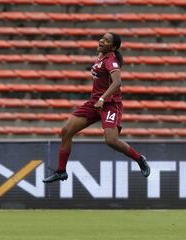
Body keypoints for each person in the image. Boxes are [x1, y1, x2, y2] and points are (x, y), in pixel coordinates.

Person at [43, 32, 150, 183]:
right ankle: (61, 171)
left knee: (111, 140)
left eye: (106, 41)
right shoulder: (100, 57)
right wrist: (98, 99)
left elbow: (117, 83)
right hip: (94, 103)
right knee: (66, 131)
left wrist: (102, 98)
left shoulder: (111, 60)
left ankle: (139, 159)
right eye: (102, 38)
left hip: (110, 105)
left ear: (113, 47)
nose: (101, 41)